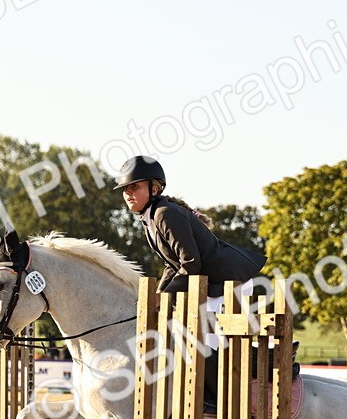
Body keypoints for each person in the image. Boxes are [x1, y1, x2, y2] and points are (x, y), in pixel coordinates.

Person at [114, 155, 266, 404]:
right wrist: (158, 293)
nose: (129, 194)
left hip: (227, 283)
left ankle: (231, 407)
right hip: (210, 284)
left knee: (203, 343)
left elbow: (190, 263)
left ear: (154, 188)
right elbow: (171, 264)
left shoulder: (164, 214)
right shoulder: (150, 218)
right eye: (125, 190)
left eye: (135, 187)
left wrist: (163, 295)